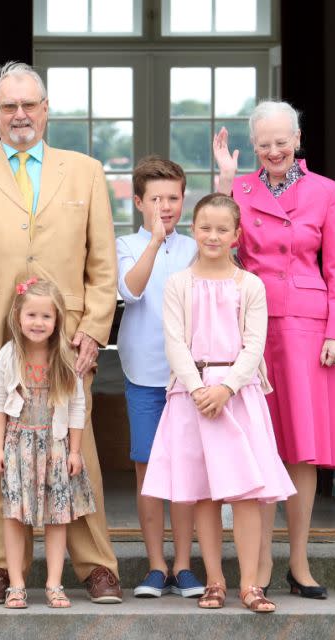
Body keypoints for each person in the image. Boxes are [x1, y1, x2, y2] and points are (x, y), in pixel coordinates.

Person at [0, 61, 121, 604]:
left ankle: (96, 566)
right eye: (8, 106)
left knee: (74, 447)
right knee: (4, 448)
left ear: (46, 110)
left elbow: (102, 262)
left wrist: (94, 328)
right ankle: (2, 565)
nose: (20, 114)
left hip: (67, 333)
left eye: (29, 104)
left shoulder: (83, 170)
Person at [213, 101, 335, 599]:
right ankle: (260, 564)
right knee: (259, 443)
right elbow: (217, 250)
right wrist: (225, 184)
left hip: (308, 330)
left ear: (298, 139)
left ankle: (300, 560)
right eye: (264, 143)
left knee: (303, 449)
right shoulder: (241, 190)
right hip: (250, 327)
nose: (274, 151)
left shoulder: (327, 192)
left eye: (282, 141)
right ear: (253, 146)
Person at [142, 193, 296, 613]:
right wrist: (196, 388)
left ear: (236, 235)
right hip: (191, 397)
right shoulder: (179, 283)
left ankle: (250, 585)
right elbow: (173, 342)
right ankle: (214, 580)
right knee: (203, 492)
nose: (212, 235)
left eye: (222, 229)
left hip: (237, 394)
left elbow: (254, 344)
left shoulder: (250, 285)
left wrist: (226, 388)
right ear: (194, 230)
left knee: (245, 492)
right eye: (205, 228)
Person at [116, 156, 203, 598]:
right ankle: (155, 564)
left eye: (172, 198)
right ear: (138, 202)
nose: (165, 207)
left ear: (184, 200)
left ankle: (184, 565)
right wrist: (154, 241)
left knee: (186, 466)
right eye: (155, 199)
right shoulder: (127, 245)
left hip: (188, 376)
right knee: (148, 467)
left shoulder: (194, 247)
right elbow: (130, 290)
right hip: (144, 372)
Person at [0, 279, 97, 609]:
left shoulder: (65, 356)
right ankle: (17, 584)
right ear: (18, 317)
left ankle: (54, 583)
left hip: (55, 447)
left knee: (57, 517)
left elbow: (77, 405)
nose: (38, 323)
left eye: (46, 317)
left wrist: (75, 450)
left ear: (57, 320)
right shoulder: (10, 355)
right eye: (31, 315)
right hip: (18, 444)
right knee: (13, 516)